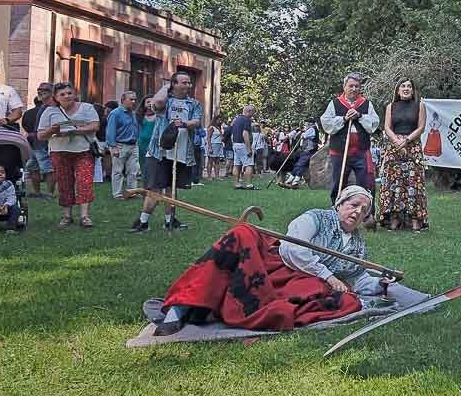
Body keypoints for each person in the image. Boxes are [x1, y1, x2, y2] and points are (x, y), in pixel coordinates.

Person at [152, 185, 434, 335]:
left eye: (363, 209)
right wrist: (328, 276)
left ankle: (218, 308)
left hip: (301, 283)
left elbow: (357, 279)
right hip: (276, 266)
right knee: (241, 233)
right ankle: (181, 308)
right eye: (353, 205)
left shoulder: (358, 243)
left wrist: (380, 283)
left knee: (343, 299)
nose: (358, 212)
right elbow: (292, 249)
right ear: (339, 205)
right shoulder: (314, 218)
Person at [131, 72, 203, 233]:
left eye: (189, 83)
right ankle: (143, 222)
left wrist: (184, 123)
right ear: (174, 84)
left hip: (182, 152)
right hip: (159, 151)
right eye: (183, 82)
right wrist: (165, 86)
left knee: (172, 188)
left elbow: (197, 121)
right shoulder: (166, 101)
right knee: (154, 189)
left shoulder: (194, 103)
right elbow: (157, 102)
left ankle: (170, 220)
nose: (188, 86)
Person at [38, 82, 100, 227]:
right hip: (59, 151)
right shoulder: (49, 111)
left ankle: (85, 216)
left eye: (69, 93)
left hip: (83, 150)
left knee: (84, 182)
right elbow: (40, 135)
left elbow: (95, 126)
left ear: (75, 94)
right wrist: (52, 130)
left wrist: (75, 131)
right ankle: (67, 216)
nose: (67, 96)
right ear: (56, 97)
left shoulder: (87, 108)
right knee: (64, 183)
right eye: (62, 94)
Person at [321, 74, 380, 205]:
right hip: (339, 152)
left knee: (366, 184)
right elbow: (326, 123)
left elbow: (374, 124)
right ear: (344, 87)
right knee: (338, 184)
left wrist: (359, 115)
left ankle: (366, 215)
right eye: (351, 86)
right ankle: (337, 211)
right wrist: (344, 119)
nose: (354, 89)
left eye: (357, 86)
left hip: (361, 152)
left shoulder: (366, 104)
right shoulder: (335, 103)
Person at [379, 79, 429, 230]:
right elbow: (387, 127)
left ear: (413, 90)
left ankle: (415, 219)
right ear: (398, 90)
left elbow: (421, 127)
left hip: (412, 146)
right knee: (393, 182)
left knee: (414, 182)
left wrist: (406, 140)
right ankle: (394, 218)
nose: (406, 89)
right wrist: (396, 141)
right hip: (394, 147)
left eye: (409, 86)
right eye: (403, 86)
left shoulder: (419, 105)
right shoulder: (391, 106)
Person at [20, 82, 55, 201]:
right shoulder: (44, 107)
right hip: (35, 142)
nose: (40, 91)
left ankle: (49, 193)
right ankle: (38, 192)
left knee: (48, 168)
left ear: (51, 92)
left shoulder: (52, 107)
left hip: (44, 142)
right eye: (39, 89)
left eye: (44, 89)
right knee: (34, 167)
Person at [105, 90, 142, 199]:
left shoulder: (133, 113)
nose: (134, 101)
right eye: (131, 99)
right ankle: (117, 194)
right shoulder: (115, 113)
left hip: (133, 145)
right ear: (123, 100)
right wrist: (113, 146)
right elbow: (110, 131)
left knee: (133, 171)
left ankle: (132, 192)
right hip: (120, 145)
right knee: (118, 171)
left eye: (135, 99)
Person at [284, 118, 320, 187]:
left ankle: (294, 181)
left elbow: (305, 135)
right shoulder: (310, 129)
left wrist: (302, 134)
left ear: (310, 123)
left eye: (306, 123)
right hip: (306, 150)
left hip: (309, 150)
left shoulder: (312, 129)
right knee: (300, 164)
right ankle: (292, 179)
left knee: (300, 164)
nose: (305, 124)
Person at [230, 104, 258, 189]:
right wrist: (249, 149)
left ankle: (236, 184)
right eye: (253, 112)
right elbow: (245, 134)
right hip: (243, 145)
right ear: (249, 111)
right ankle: (249, 184)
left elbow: (232, 134)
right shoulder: (246, 120)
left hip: (235, 144)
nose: (253, 115)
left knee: (236, 164)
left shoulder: (236, 120)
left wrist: (233, 144)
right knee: (249, 164)